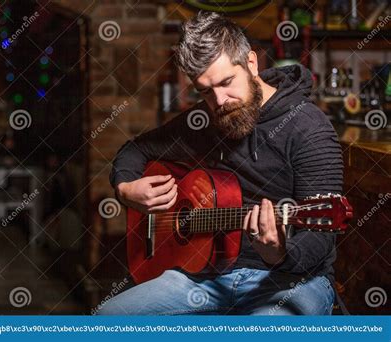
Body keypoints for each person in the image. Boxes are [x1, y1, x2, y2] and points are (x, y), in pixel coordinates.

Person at [98, 11, 342, 315]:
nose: (219, 100)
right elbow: (136, 149)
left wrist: (280, 253)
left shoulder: (308, 127)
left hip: (292, 279)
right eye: (205, 91)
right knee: (107, 319)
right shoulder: (207, 119)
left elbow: (320, 239)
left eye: (227, 82)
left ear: (251, 63)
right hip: (208, 274)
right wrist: (126, 188)